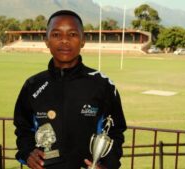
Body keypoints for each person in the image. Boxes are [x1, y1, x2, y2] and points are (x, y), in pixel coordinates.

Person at [13, 10, 127, 169]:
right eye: (56, 35)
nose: (64, 41)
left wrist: (108, 165)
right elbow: (23, 129)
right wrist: (27, 153)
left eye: (72, 34)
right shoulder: (32, 85)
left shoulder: (103, 85)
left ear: (83, 40)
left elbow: (115, 132)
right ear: (46, 41)